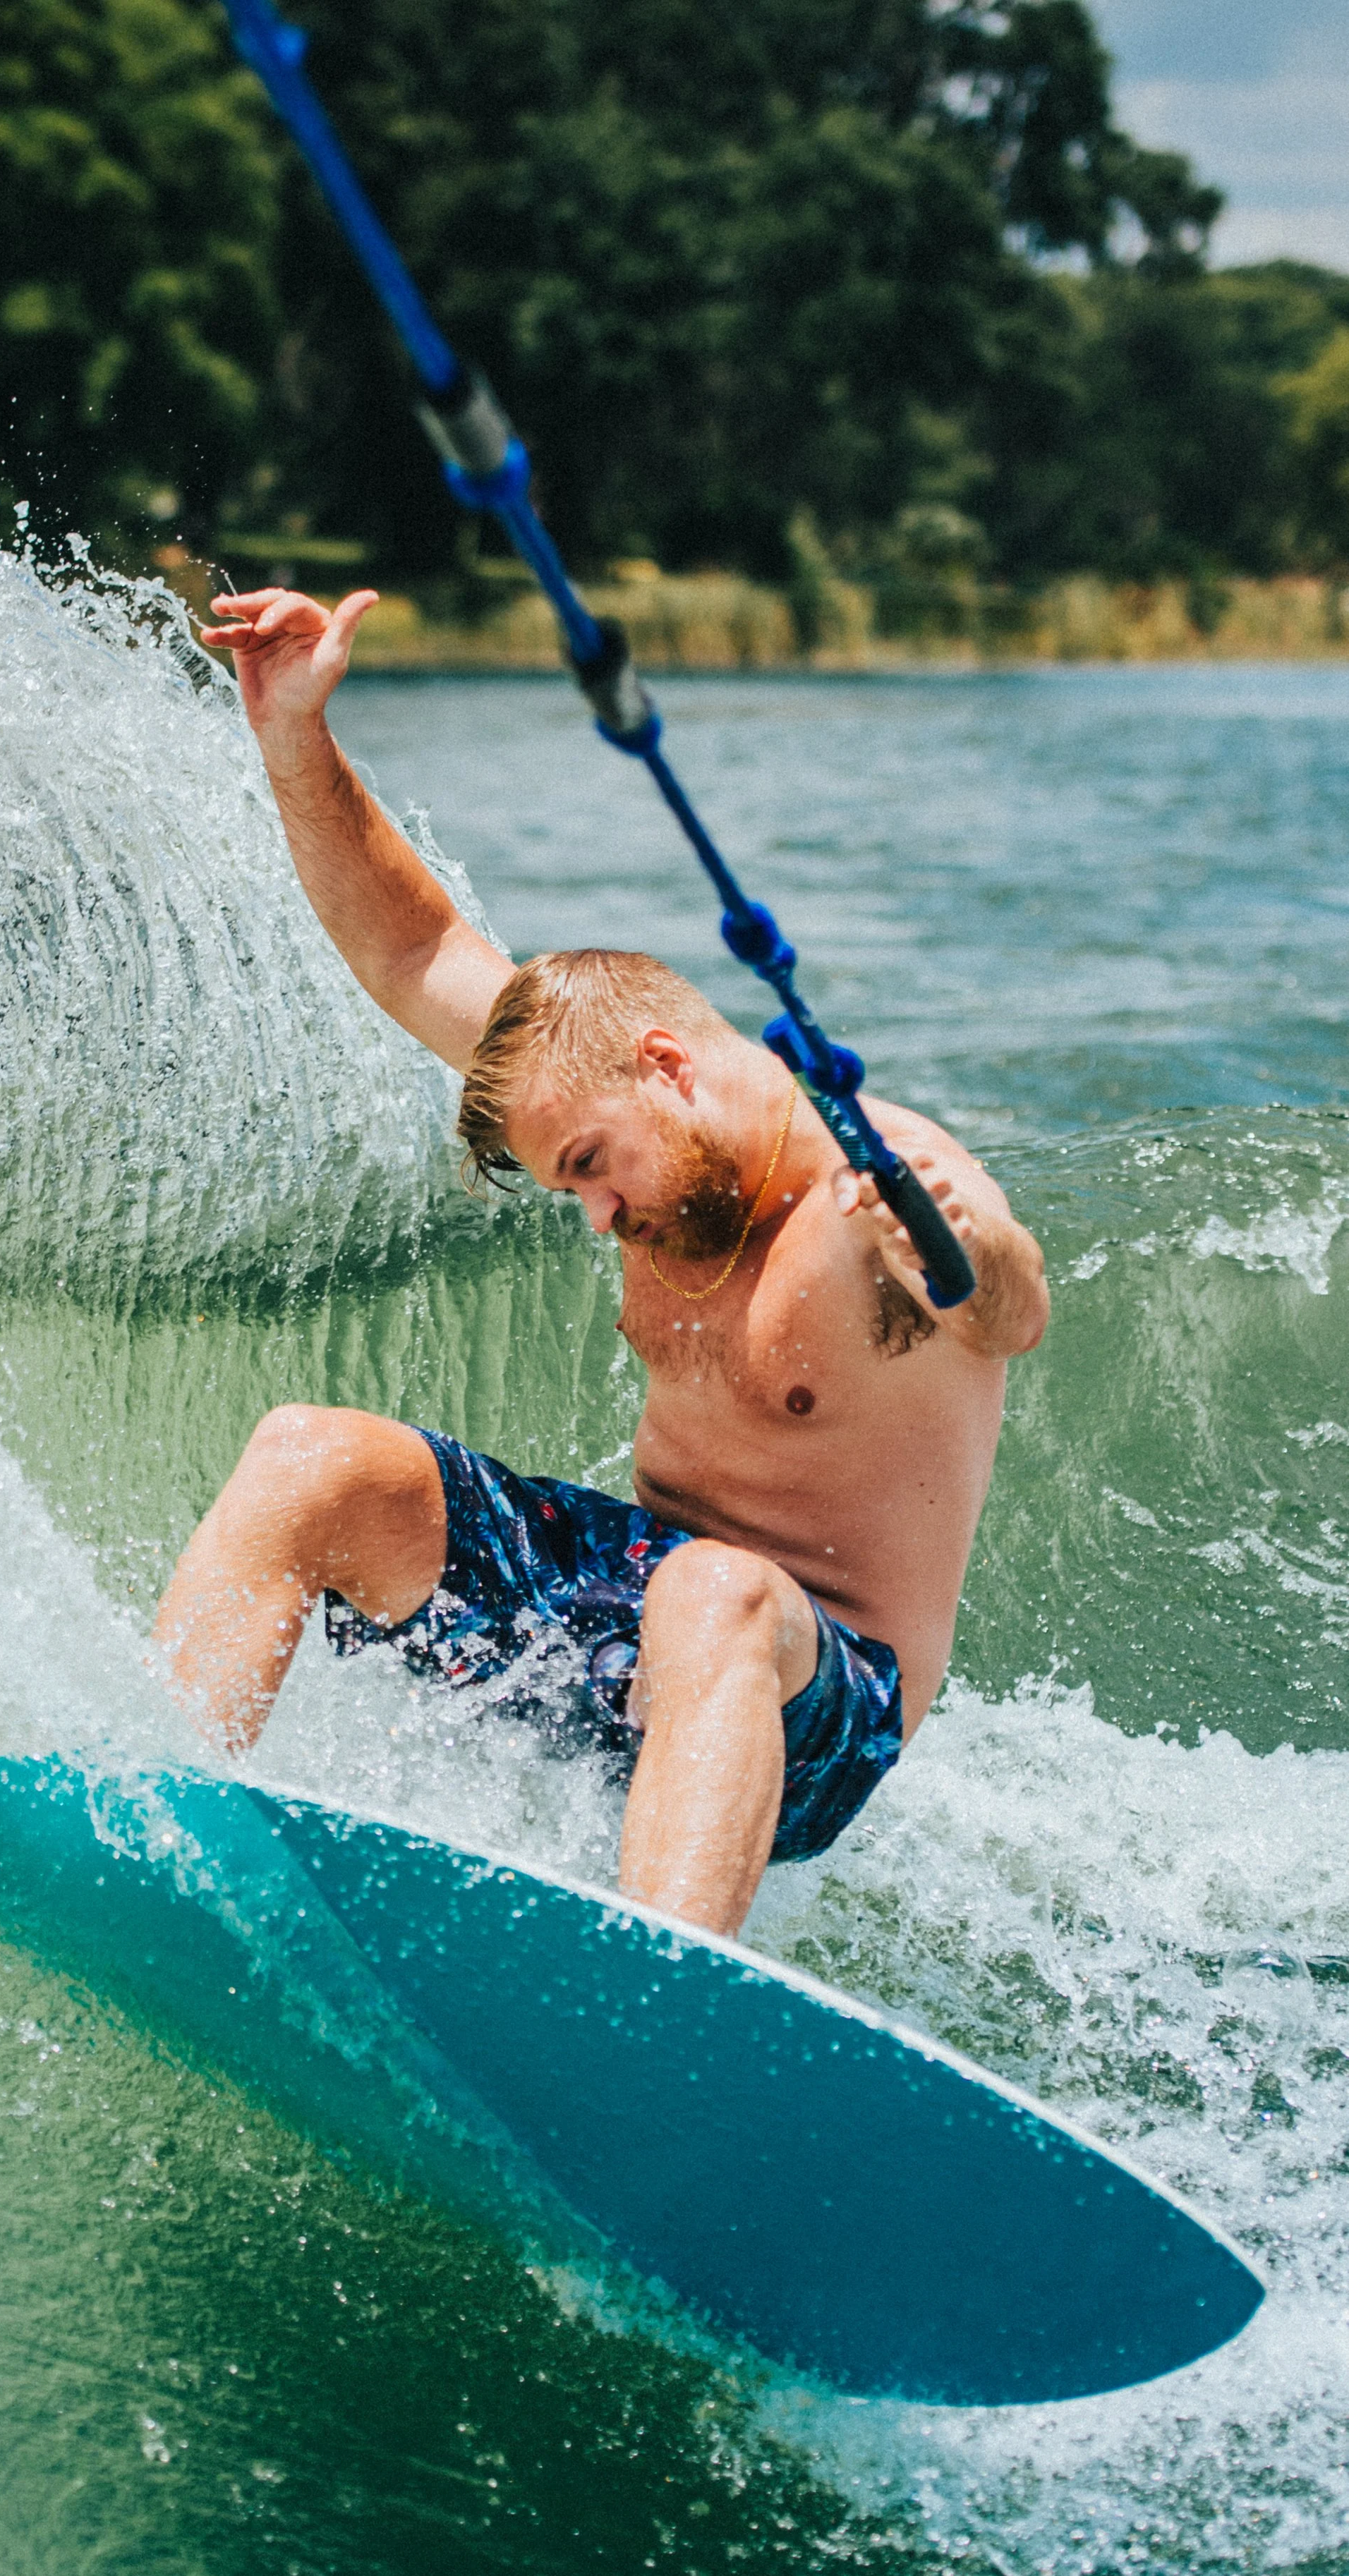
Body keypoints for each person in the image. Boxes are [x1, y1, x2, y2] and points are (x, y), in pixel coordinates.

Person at [153, 586, 1049, 1937]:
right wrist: (296, 739)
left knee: (715, 1592)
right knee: (308, 1460)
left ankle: (652, 2000)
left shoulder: (880, 1190)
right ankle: (152, 1833)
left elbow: (1011, 1311)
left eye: (585, 1166)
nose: (590, 1214)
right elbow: (412, 946)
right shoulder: (604, 1097)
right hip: (629, 1614)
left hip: (818, 1700)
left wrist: (967, 1247)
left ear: (667, 1067)